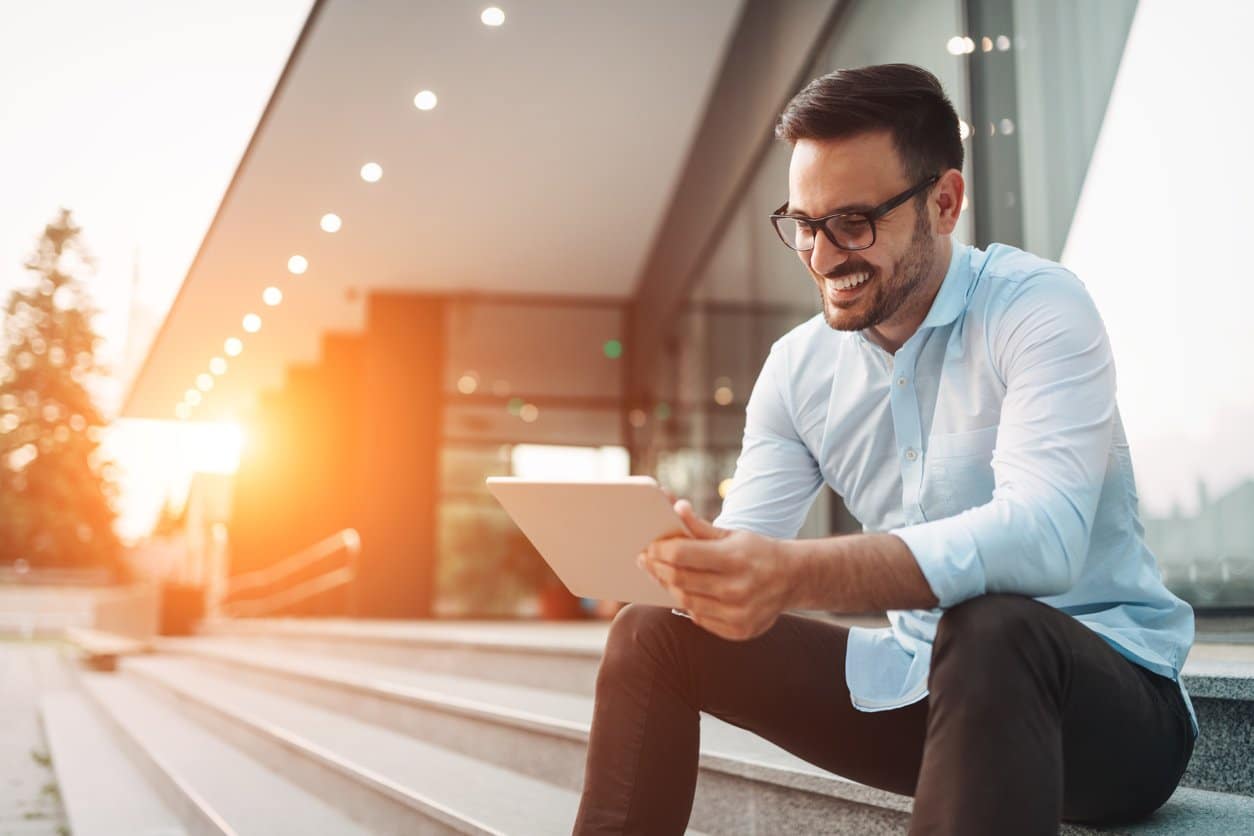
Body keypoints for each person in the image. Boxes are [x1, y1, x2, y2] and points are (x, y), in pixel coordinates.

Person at [572, 63, 1197, 836]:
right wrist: (694, 568)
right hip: (922, 690)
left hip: (1112, 711)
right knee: (650, 633)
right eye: (804, 223)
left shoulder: (1037, 308)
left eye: (855, 223)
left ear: (944, 202)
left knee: (991, 623)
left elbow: (1045, 538)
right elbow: (751, 556)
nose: (824, 256)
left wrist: (794, 573)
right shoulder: (799, 370)